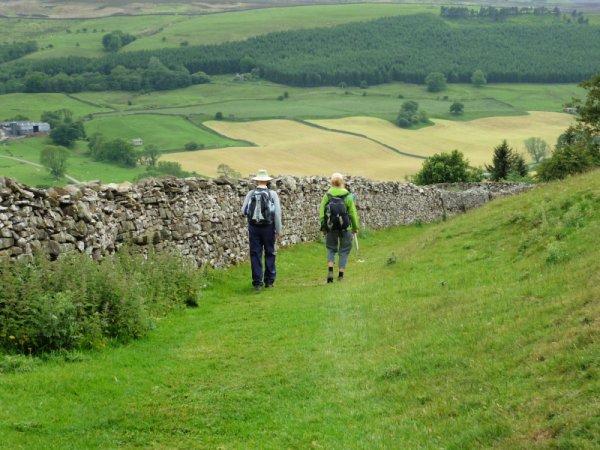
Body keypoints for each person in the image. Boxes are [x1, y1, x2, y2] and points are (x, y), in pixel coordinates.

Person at [241, 169, 282, 290]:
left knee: (255, 254)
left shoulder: (251, 193)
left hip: (254, 228)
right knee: (270, 252)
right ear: (267, 181)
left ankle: (257, 282)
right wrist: (278, 230)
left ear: (257, 181)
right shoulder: (272, 194)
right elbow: (277, 214)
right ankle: (269, 281)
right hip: (268, 228)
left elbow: (243, 211)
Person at [319, 173, 359, 283]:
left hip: (331, 227)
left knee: (331, 248)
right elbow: (352, 213)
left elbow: (322, 211)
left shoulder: (327, 196)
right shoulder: (348, 196)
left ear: (331, 183)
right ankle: (340, 275)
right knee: (344, 250)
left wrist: (323, 226)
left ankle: (330, 270)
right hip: (346, 228)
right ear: (342, 182)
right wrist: (355, 227)